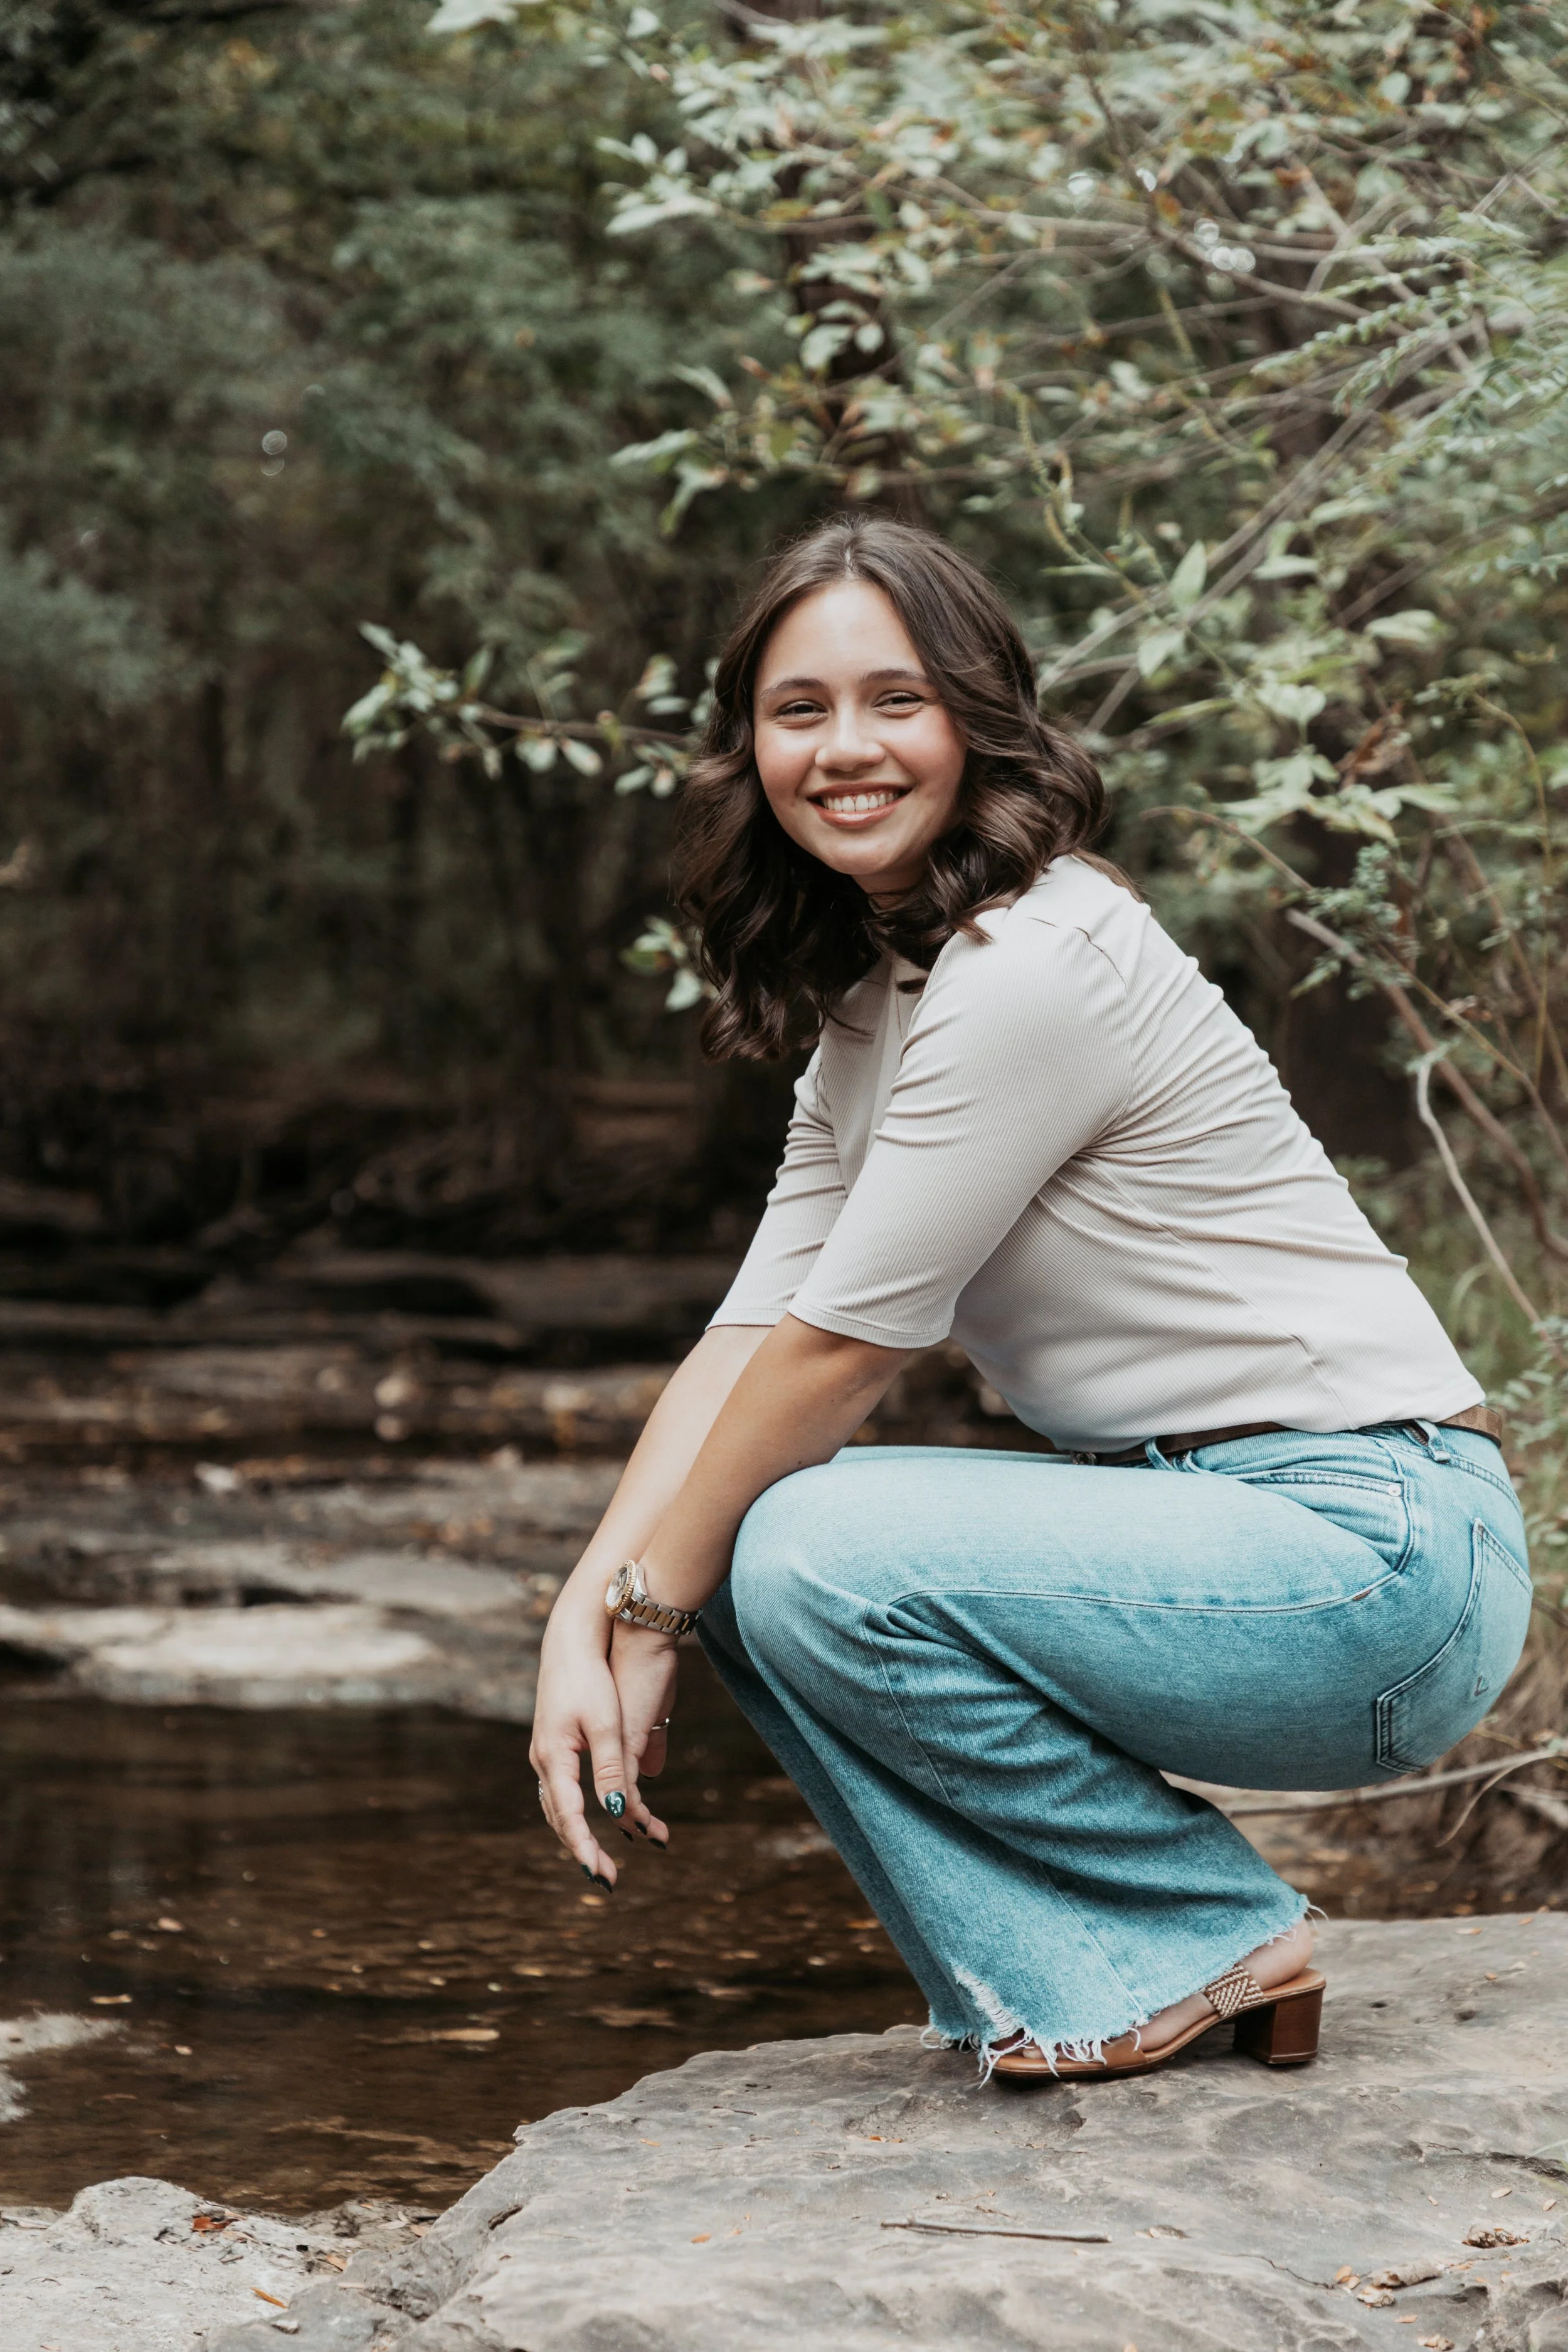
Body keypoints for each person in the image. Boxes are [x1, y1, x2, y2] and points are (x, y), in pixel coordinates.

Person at [530, 515, 1530, 2080]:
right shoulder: (875, 999)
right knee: (729, 1538)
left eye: (894, 700)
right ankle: (1114, 1970)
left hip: (1377, 1556)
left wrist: (646, 1605)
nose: (843, 748)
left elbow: (842, 1355)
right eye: (798, 711)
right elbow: (747, 1337)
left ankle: (1192, 1938)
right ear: (749, 747)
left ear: (977, 721)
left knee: (781, 1536)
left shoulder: (1032, 960)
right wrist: (583, 1613)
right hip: (1232, 1544)